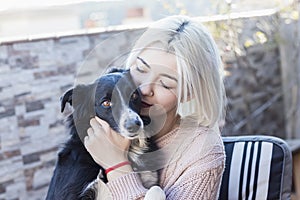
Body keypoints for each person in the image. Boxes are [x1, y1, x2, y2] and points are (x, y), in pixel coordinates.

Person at [84, 15, 226, 199]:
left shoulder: (203, 152)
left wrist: (116, 165)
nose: (144, 89)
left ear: (189, 93)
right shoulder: (98, 130)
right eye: (141, 70)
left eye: (165, 84)